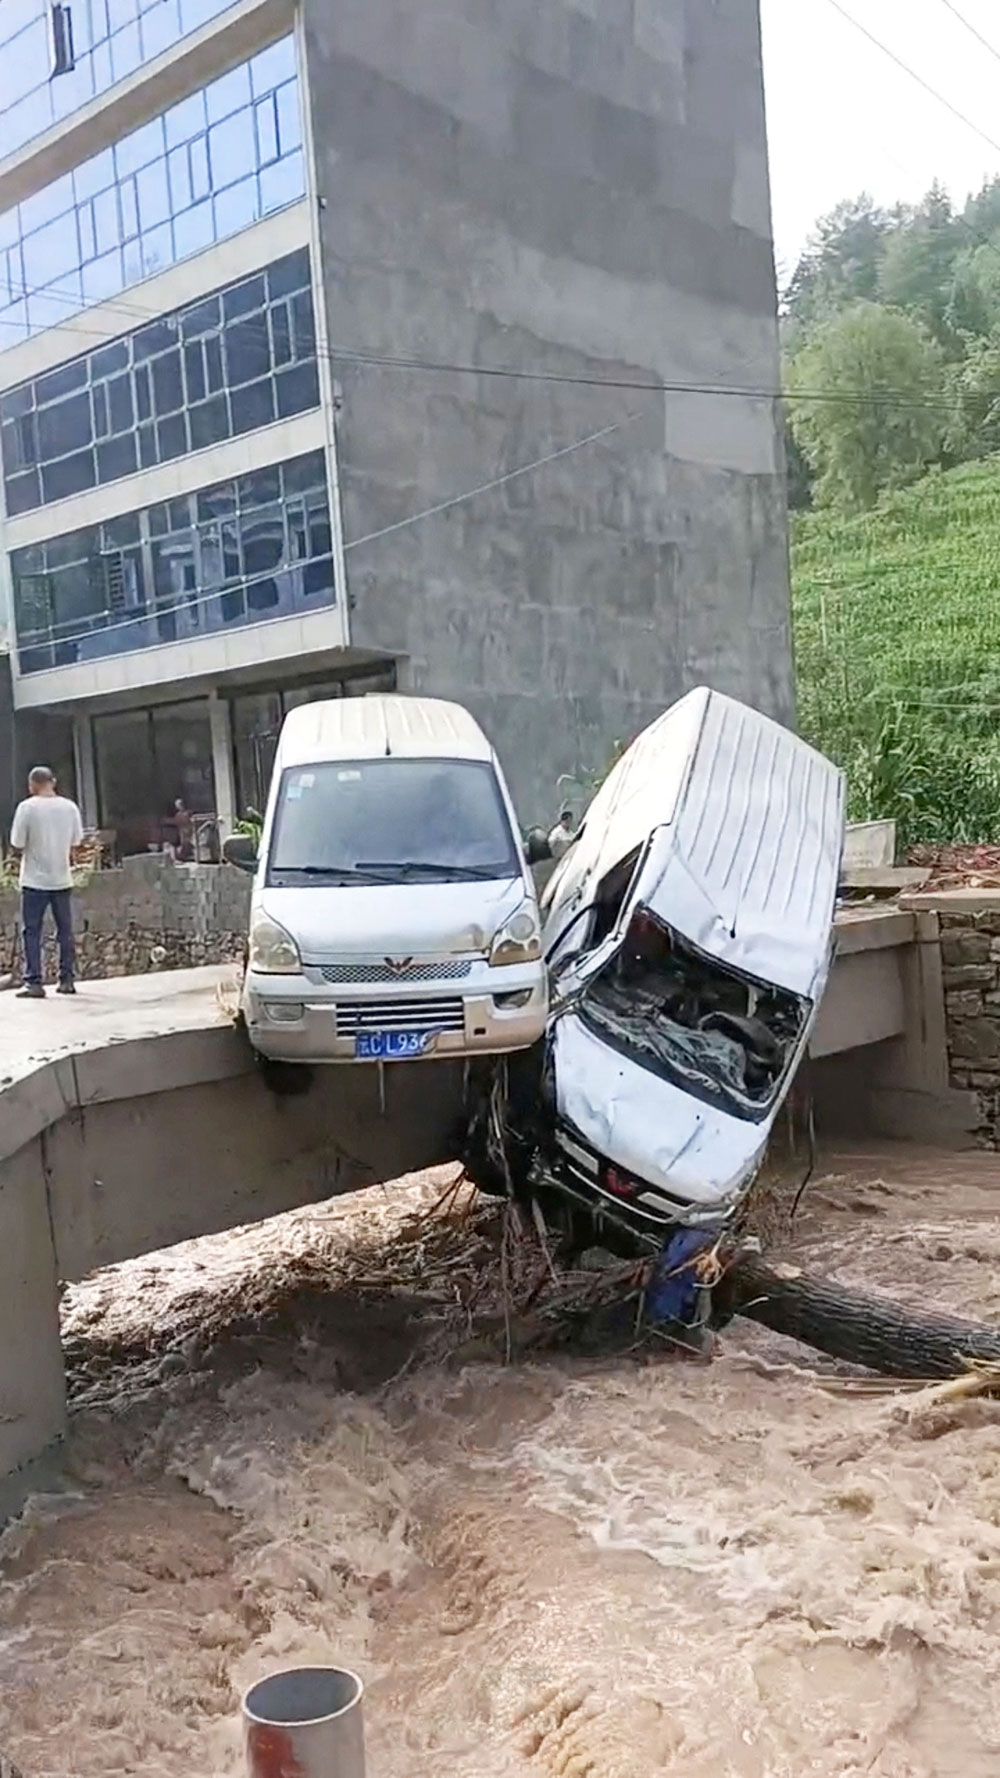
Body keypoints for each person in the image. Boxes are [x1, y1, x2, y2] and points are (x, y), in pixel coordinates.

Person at [9, 766, 84, 999]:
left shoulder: (27, 808)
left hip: (34, 880)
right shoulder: (69, 807)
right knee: (65, 931)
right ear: (53, 782)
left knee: (32, 931)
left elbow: (17, 842)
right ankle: (67, 979)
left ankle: (34, 981)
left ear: (32, 784)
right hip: (62, 877)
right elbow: (77, 840)